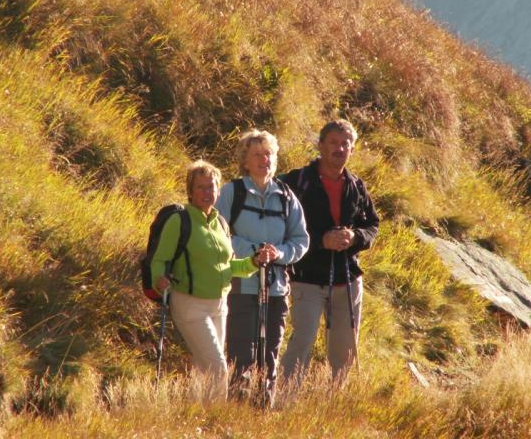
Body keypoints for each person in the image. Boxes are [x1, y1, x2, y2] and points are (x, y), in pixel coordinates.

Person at [152, 160, 277, 402]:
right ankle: (217, 416)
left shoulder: (220, 223)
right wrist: (160, 279)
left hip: (219, 305)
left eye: (211, 187)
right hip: (189, 305)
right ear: (190, 191)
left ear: (218, 191)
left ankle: (194, 415)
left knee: (204, 370)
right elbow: (160, 259)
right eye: (200, 187)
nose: (207, 192)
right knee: (218, 368)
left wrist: (254, 261)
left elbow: (229, 267)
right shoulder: (180, 221)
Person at [280, 119, 379, 386]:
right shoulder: (296, 182)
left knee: (345, 349)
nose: (340, 148)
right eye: (334, 142)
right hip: (306, 277)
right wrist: (321, 241)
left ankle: (336, 399)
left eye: (346, 143)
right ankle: (284, 398)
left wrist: (355, 237)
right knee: (302, 341)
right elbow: (281, 227)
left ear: (352, 149)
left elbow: (372, 225)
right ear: (321, 145)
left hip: (347, 280)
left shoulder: (356, 185)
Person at [216, 130, 309, 406]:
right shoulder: (232, 192)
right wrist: (254, 252)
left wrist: (278, 253)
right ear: (245, 161)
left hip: (276, 288)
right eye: (257, 154)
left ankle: (263, 410)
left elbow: (301, 240)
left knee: (269, 354)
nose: (263, 159)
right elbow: (218, 235)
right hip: (241, 285)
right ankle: (237, 409)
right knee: (241, 353)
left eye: (268, 154)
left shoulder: (286, 196)